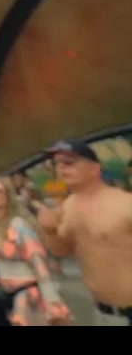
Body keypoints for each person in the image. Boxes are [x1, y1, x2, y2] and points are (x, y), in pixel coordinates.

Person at [35, 140, 132, 326]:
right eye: (57, 163)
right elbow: (62, 251)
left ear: (95, 169)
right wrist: (50, 231)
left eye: (69, 162)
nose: (61, 168)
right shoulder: (69, 206)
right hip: (104, 311)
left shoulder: (125, 204)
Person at [0, 175, 69, 326]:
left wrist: (52, 300)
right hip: (4, 293)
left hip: (27, 294)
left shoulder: (18, 225)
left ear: (8, 195)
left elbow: (38, 261)